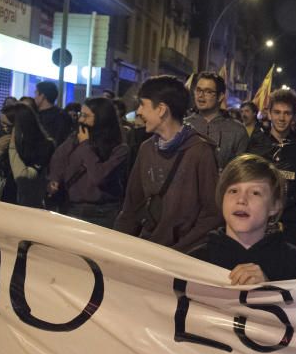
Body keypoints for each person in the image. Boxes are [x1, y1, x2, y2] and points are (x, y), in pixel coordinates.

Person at [115, 76, 222, 253]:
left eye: (143, 104)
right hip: (146, 252)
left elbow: (211, 215)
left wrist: (179, 251)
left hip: (181, 258)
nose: (139, 111)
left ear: (162, 110)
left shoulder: (201, 151)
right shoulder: (146, 148)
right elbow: (132, 206)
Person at [197, 153, 296, 283]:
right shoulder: (197, 260)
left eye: (255, 193)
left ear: (274, 206)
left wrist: (268, 290)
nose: (241, 200)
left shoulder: (292, 261)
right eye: (233, 191)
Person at [247, 88, 296, 255]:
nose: (281, 118)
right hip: (256, 223)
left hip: (291, 227)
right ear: (270, 114)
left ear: (294, 116)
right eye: (277, 112)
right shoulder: (254, 146)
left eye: (287, 113)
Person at [47, 97, 130, 228]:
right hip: (73, 208)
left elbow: (99, 176)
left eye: (85, 116)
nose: (80, 120)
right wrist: (55, 179)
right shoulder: (76, 138)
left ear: (101, 118)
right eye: (81, 115)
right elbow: (59, 157)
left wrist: (86, 145)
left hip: (103, 213)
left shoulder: (119, 149)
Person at [0, 102, 55, 208]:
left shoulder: (45, 146)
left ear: (21, 126)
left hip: (28, 204)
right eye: (1, 124)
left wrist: (13, 147)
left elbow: (22, 177)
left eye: (8, 126)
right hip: (5, 200)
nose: (4, 129)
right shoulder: (3, 141)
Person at [184, 72, 248, 170]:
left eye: (208, 91)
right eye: (198, 90)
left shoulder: (237, 131)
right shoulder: (183, 126)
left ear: (220, 96)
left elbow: (240, 171)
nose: (201, 95)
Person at [33, 81, 72, 151]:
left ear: (42, 96)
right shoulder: (35, 114)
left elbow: (59, 141)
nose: (34, 97)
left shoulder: (61, 117)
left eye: (36, 93)